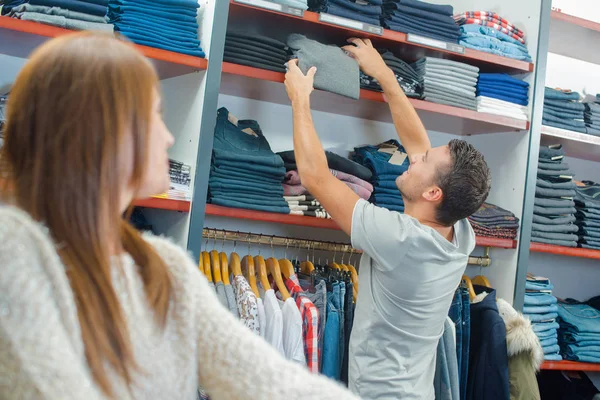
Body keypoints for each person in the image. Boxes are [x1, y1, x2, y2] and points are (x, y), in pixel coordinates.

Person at [0, 33, 361, 400]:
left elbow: (268, 379)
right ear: (98, 131)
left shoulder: (161, 267)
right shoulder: (14, 250)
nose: (169, 136)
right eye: (152, 116)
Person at [284, 37, 491, 400]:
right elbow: (417, 144)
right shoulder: (459, 232)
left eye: (424, 162)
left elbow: (316, 177)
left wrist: (300, 99)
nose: (414, 157)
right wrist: (383, 74)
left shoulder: (401, 239)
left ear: (432, 194)